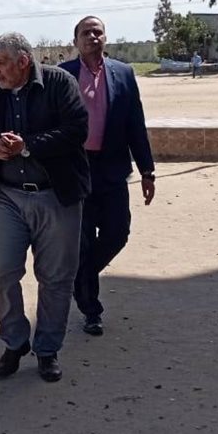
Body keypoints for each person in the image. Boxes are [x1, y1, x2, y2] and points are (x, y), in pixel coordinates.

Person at [0, 32, 90, 382]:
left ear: (23, 62)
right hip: (8, 196)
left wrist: (26, 146)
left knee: (56, 277)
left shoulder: (59, 83)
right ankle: (15, 340)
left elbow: (76, 131)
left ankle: (48, 349)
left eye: (1, 63)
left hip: (56, 195)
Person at [60, 17, 155, 337]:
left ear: (105, 37)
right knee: (83, 240)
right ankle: (91, 310)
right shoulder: (62, 74)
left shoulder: (123, 73)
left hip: (113, 169)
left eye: (97, 32)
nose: (92, 36)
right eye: (85, 33)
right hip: (77, 169)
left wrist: (147, 170)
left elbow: (135, 123)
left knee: (118, 232)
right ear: (75, 40)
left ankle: (81, 278)